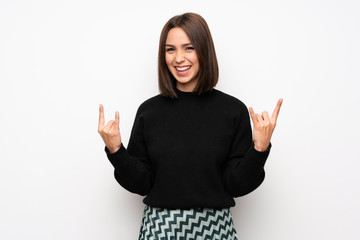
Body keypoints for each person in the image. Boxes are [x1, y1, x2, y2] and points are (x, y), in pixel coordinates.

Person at [98, 12, 282, 240]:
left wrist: (260, 149)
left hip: (215, 229)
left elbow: (237, 185)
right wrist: (116, 151)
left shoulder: (233, 110)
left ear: (204, 51)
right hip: (159, 229)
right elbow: (142, 183)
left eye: (189, 48)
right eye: (170, 49)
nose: (178, 58)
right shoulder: (149, 111)